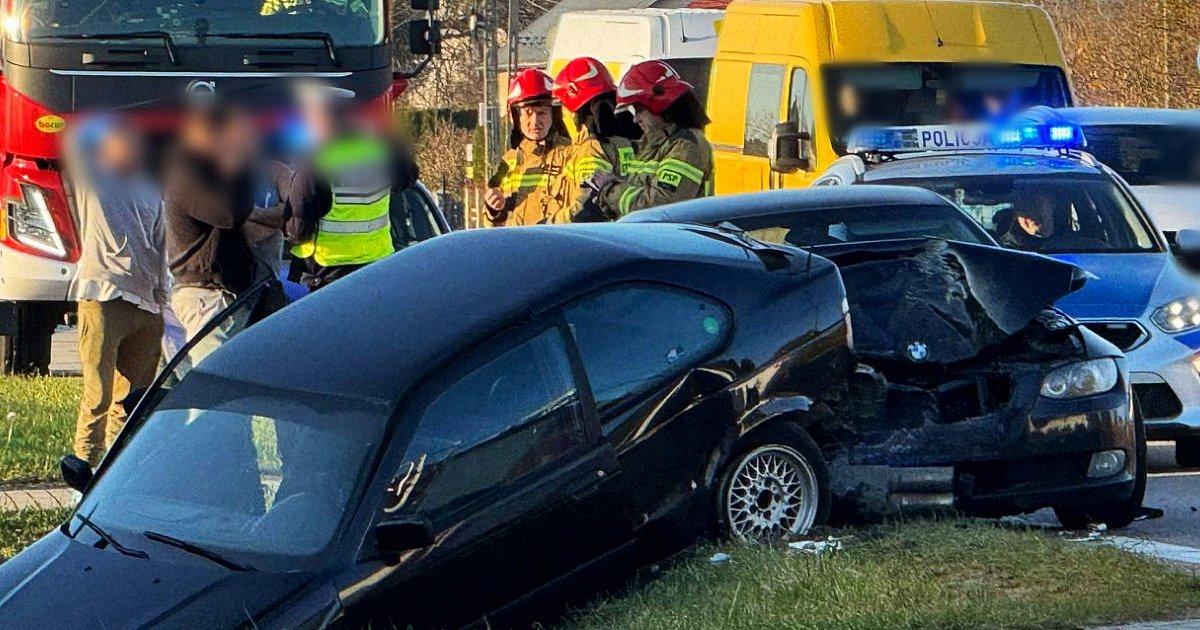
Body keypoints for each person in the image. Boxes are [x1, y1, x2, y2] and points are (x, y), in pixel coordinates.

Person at [66, 117, 166, 467]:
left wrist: (162, 300)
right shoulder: (95, 178)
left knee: (133, 399)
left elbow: (160, 246)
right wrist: (106, 115)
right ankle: (83, 468)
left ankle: (114, 469)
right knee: (98, 393)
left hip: (146, 305)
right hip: (103, 296)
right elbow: (76, 139)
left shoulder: (152, 189)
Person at [284, 83, 419, 291]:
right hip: (377, 264)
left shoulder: (317, 162)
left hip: (329, 270)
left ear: (323, 119)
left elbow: (299, 226)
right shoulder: (382, 151)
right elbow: (408, 178)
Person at [163, 102, 260, 356]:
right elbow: (228, 214)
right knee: (211, 378)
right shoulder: (187, 173)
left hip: (226, 291)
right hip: (204, 294)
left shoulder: (212, 171)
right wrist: (237, 164)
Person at [586, 60, 714, 218]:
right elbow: (634, 199)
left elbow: (661, 207)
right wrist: (605, 199)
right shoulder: (651, 146)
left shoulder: (686, 146)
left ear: (658, 103)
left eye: (639, 110)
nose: (635, 119)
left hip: (671, 241)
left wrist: (611, 188)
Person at [549, 57, 639, 223]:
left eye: (563, 105)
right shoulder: (626, 142)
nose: (564, 114)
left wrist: (549, 225)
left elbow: (587, 207)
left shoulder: (592, 148)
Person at [483, 68, 573, 227]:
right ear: (516, 117)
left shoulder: (571, 155)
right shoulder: (509, 162)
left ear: (554, 115)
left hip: (557, 246)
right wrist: (494, 211)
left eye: (542, 113)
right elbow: (494, 228)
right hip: (519, 248)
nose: (535, 121)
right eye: (528, 113)